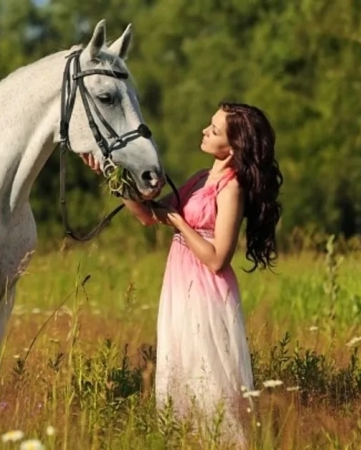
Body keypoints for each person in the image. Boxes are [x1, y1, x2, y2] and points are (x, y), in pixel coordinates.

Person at [82, 101, 283, 447]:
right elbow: (148, 216)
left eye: (215, 130)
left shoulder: (231, 188)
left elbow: (219, 257)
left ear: (234, 146)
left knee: (206, 371)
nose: (205, 131)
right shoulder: (201, 179)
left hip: (206, 289)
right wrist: (110, 174)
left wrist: (178, 222)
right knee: (181, 363)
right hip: (179, 285)